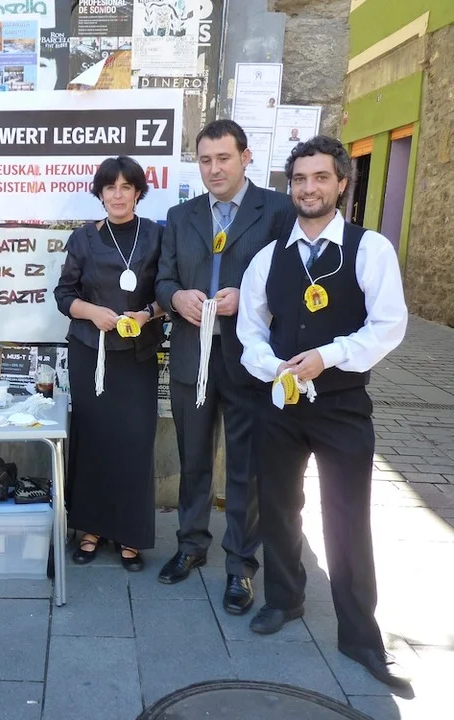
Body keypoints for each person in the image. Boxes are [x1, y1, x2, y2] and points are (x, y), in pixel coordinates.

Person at [237, 136, 410, 688]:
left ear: (341, 184)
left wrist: (328, 356)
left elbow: (388, 326)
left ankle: (360, 635)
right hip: (281, 404)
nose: (308, 188)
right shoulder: (269, 257)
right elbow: (250, 329)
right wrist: (274, 367)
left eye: (319, 178)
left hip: (342, 405)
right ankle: (284, 599)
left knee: (347, 517)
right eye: (299, 179)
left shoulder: (370, 249)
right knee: (279, 506)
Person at [155, 119, 296, 615]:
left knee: (245, 466)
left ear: (245, 157)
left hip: (248, 357)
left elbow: (293, 277)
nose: (214, 169)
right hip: (192, 355)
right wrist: (176, 297)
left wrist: (254, 298)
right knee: (193, 457)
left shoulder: (277, 210)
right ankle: (191, 544)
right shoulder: (181, 215)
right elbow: (163, 279)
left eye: (223, 158)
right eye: (205, 160)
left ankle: (240, 565)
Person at [54, 157, 166, 571]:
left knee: (135, 442)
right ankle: (91, 529)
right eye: (110, 187)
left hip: (137, 356)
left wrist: (148, 313)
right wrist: (91, 313)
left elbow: (169, 291)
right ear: (99, 193)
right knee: (94, 439)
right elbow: (64, 295)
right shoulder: (83, 239)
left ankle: (130, 534)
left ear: (138, 192)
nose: (118, 195)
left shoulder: (156, 236)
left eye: (126, 187)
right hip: (90, 353)